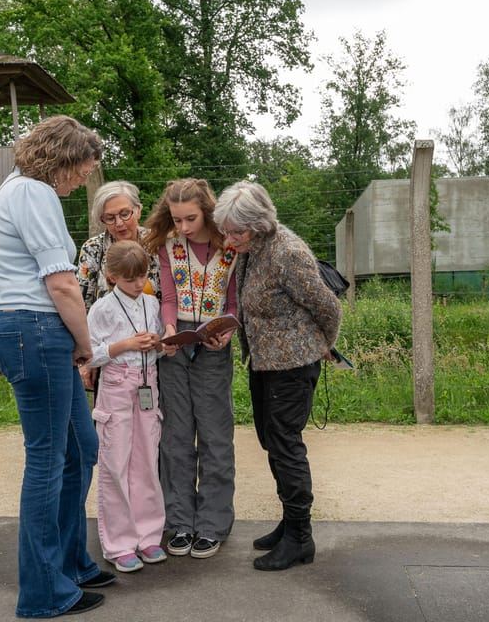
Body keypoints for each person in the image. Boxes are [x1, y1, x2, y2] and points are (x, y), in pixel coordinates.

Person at [0, 115, 112, 617]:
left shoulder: (14, 191)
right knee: (48, 462)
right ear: (61, 160)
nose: (82, 181)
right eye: (81, 171)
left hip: (28, 328)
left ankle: (70, 564)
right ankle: (43, 592)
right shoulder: (34, 195)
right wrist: (86, 344)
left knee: (81, 449)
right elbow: (61, 283)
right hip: (38, 330)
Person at [213, 180, 342, 572]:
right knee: (272, 440)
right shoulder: (255, 247)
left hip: (292, 365)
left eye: (237, 231)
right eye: (227, 231)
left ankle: (301, 537)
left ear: (260, 223)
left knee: (286, 444)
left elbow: (328, 307)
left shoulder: (287, 252)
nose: (230, 239)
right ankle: (289, 523)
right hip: (265, 362)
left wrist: (323, 344)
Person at [141, 178, 238, 560]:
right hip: (176, 343)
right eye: (176, 219)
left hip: (214, 343)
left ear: (208, 211)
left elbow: (233, 299)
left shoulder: (231, 245)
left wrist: (226, 329)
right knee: (175, 436)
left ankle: (212, 523)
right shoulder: (169, 245)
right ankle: (179, 521)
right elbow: (168, 295)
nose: (182, 227)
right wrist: (168, 329)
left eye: (190, 219)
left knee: (215, 436)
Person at [85, 240, 169, 573]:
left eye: (143, 276)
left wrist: (162, 346)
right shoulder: (101, 308)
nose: (138, 283)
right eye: (130, 278)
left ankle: (148, 535)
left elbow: (159, 344)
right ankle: (119, 542)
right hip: (117, 386)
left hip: (148, 382)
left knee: (147, 460)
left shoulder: (152, 303)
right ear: (111, 275)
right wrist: (125, 345)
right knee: (115, 462)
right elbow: (89, 354)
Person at [76, 181, 160, 392]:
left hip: (153, 352)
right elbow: (82, 303)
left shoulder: (157, 243)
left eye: (125, 214)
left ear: (138, 210)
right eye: (110, 218)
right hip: (110, 357)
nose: (119, 223)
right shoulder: (93, 249)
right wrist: (86, 359)